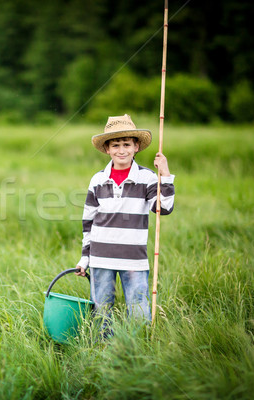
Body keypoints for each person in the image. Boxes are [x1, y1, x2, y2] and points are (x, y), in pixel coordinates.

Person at [75, 114, 175, 336]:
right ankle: (102, 347)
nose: (122, 150)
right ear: (107, 149)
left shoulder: (147, 178)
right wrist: (85, 257)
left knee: (138, 307)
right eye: (116, 145)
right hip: (101, 256)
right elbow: (88, 221)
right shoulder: (98, 179)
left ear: (136, 146)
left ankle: (138, 346)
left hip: (134, 258)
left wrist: (165, 174)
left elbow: (163, 208)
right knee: (101, 308)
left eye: (127, 144)